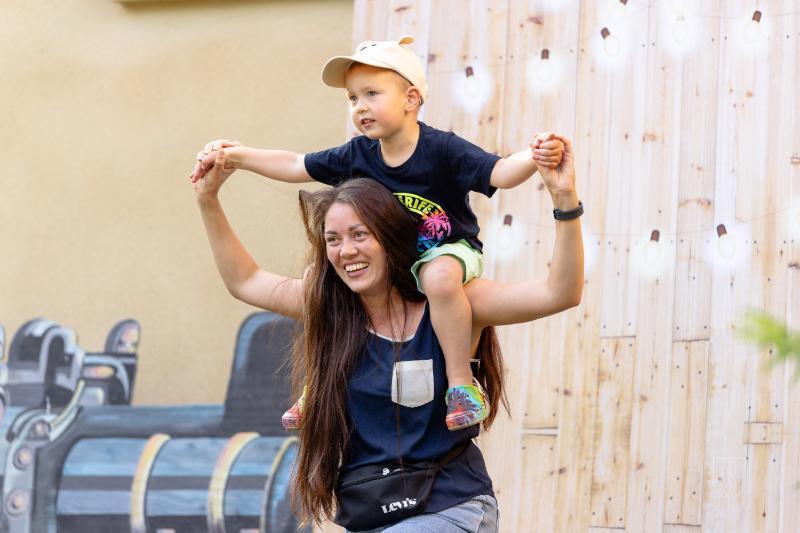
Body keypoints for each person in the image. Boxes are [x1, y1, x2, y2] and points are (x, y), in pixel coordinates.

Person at [192, 130, 583, 531]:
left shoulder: (452, 304)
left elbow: (560, 293)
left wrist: (564, 199)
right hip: (371, 514)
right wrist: (208, 199)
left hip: (450, 506)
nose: (346, 251)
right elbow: (245, 281)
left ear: (391, 238)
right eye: (333, 240)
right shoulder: (332, 310)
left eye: (359, 235)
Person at [189, 36, 565, 431]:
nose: (360, 106)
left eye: (371, 94)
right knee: (319, 280)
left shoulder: (442, 149)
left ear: (411, 98)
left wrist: (536, 155)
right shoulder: (358, 154)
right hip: (397, 262)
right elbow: (296, 164)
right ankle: (316, 387)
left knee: (438, 277)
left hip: (447, 252)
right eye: (353, 98)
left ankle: (461, 385)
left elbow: (500, 173)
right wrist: (237, 156)